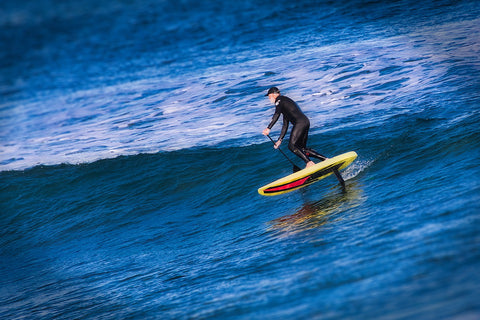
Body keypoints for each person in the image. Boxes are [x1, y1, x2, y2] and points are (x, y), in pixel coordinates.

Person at [262, 86, 327, 168]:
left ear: (272, 94)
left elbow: (276, 114)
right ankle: (325, 159)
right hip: (305, 122)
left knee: (292, 146)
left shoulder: (279, 100)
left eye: (269, 96)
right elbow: (285, 124)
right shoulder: (285, 102)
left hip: (300, 123)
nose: (269, 98)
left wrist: (268, 128)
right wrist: (280, 140)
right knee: (302, 149)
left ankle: (309, 163)